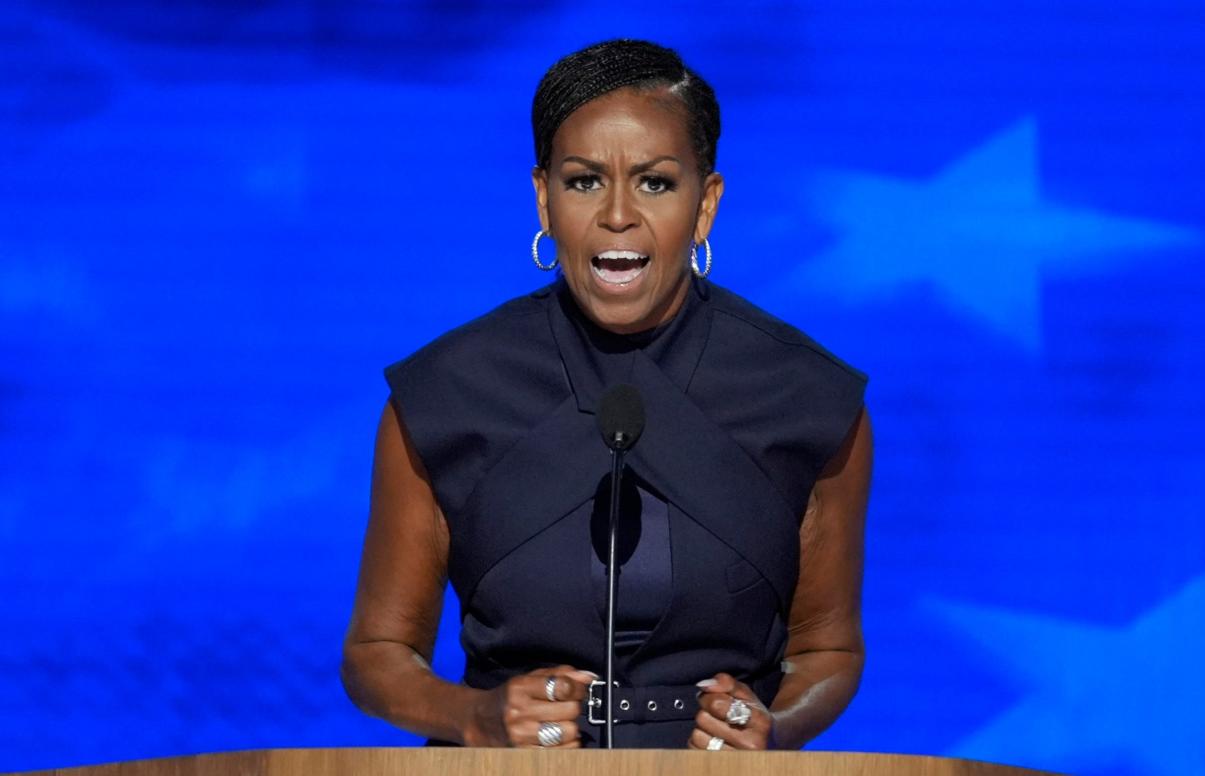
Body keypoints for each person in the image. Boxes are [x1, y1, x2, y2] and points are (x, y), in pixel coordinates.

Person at [340, 39, 872, 751]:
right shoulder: (445, 392)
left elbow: (828, 652)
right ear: (543, 197)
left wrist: (772, 730)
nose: (617, 214)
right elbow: (375, 654)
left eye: (654, 182)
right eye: (584, 181)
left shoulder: (807, 397)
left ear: (705, 204)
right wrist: (472, 717)